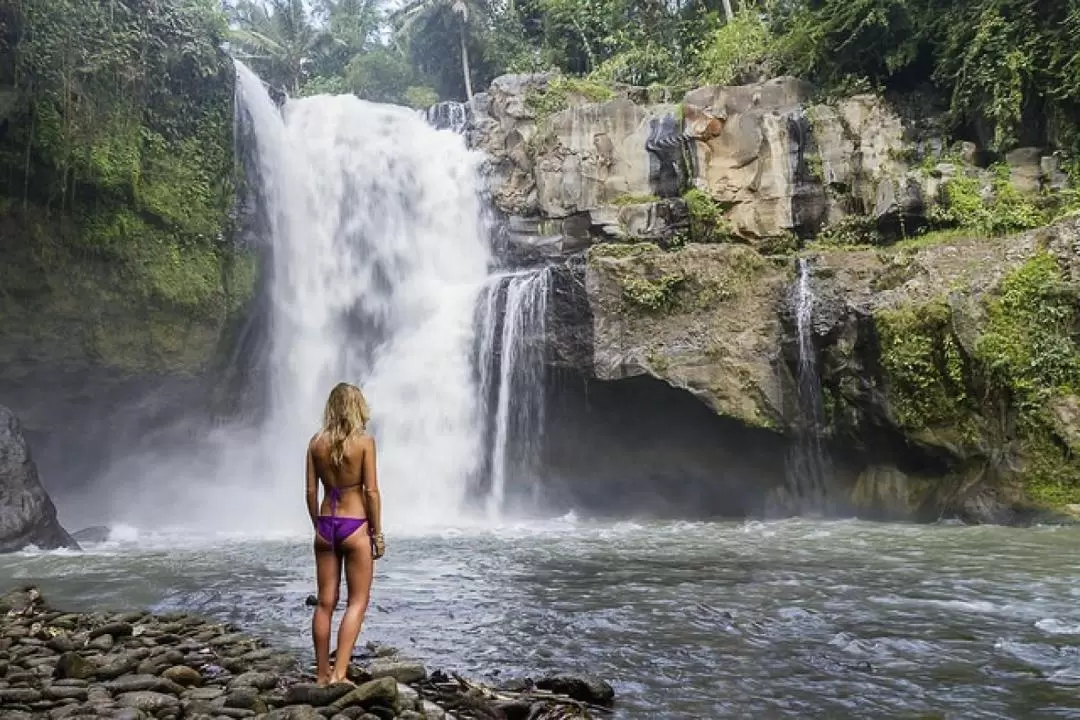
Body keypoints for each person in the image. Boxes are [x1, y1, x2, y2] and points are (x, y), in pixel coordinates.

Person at [306, 382, 385, 686]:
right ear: (358, 407)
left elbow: (311, 491)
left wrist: (318, 524)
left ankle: (321, 675)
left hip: (326, 523)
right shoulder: (364, 442)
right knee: (357, 602)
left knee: (325, 603)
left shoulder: (315, 443)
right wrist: (376, 533)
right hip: (356, 525)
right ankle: (340, 672)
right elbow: (372, 492)